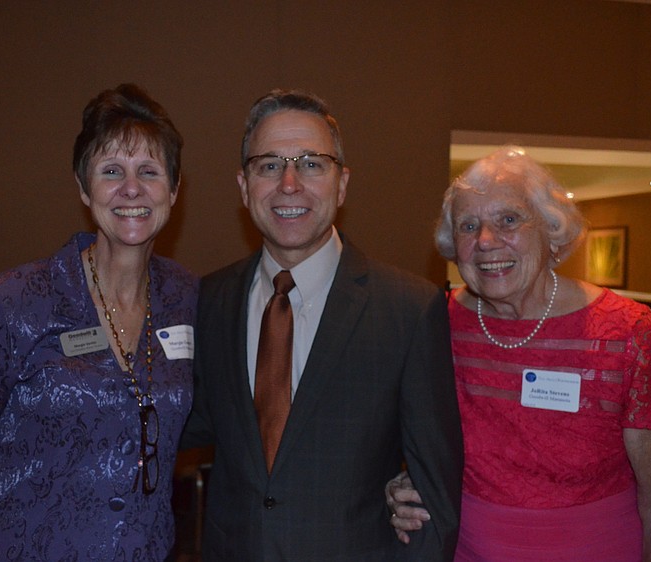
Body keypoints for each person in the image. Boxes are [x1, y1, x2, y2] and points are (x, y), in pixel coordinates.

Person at [0, 84, 198, 561]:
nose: (132, 188)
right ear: (83, 187)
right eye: (111, 172)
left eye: (149, 171)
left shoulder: (188, 298)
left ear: (174, 188)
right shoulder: (13, 301)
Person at [180, 89, 464, 561]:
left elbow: (434, 500)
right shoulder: (207, 300)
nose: (289, 183)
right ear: (244, 184)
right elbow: (168, 423)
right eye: (268, 165)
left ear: (342, 183)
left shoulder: (409, 309)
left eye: (312, 163)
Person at [387, 146, 651, 561]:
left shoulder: (627, 332)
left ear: (550, 228)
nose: (486, 241)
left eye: (508, 220)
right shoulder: (435, 323)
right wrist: (399, 483)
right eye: (468, 226)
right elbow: (397, 438)